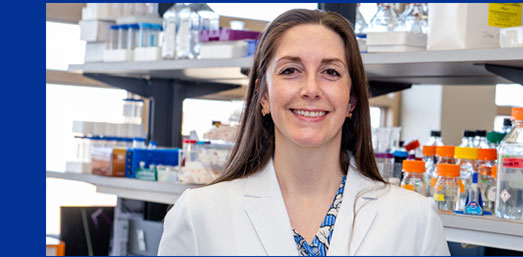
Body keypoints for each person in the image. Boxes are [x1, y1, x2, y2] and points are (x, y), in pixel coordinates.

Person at [158, 9, 450, 256]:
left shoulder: (415, 220)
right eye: (290, 71)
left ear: (351, 101)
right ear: (263, 97)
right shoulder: (199, 215)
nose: (311, 89)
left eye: (331, 72)